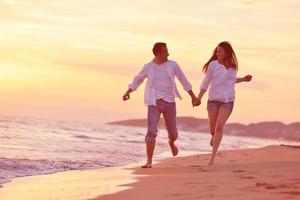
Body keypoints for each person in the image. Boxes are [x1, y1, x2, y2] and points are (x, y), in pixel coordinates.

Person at [123, 42, 199, 168]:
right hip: (154, 103)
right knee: (151, 132)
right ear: (157, 53)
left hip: (170, 103)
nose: (168, 53)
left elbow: (183, 80)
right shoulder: (148, 67)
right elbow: (138, 79)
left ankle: (171, 142)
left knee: (174, 134)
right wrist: (128, 92)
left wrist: (193, 97)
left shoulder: (173, 65)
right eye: (165, 51)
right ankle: (149, 162)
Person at [196, 41, 252, 165]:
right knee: (212, 129)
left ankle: (212, 158)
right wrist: (199, 98)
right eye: (217, 51)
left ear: (227, 53)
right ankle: (213, 135)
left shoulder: (232, 67)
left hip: (228, 101)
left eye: (220, 51)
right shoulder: (213, 65)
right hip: (213, 100)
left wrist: (243, 79)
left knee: (219, 127)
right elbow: (206, 82)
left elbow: (232, 80)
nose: (218, 53)